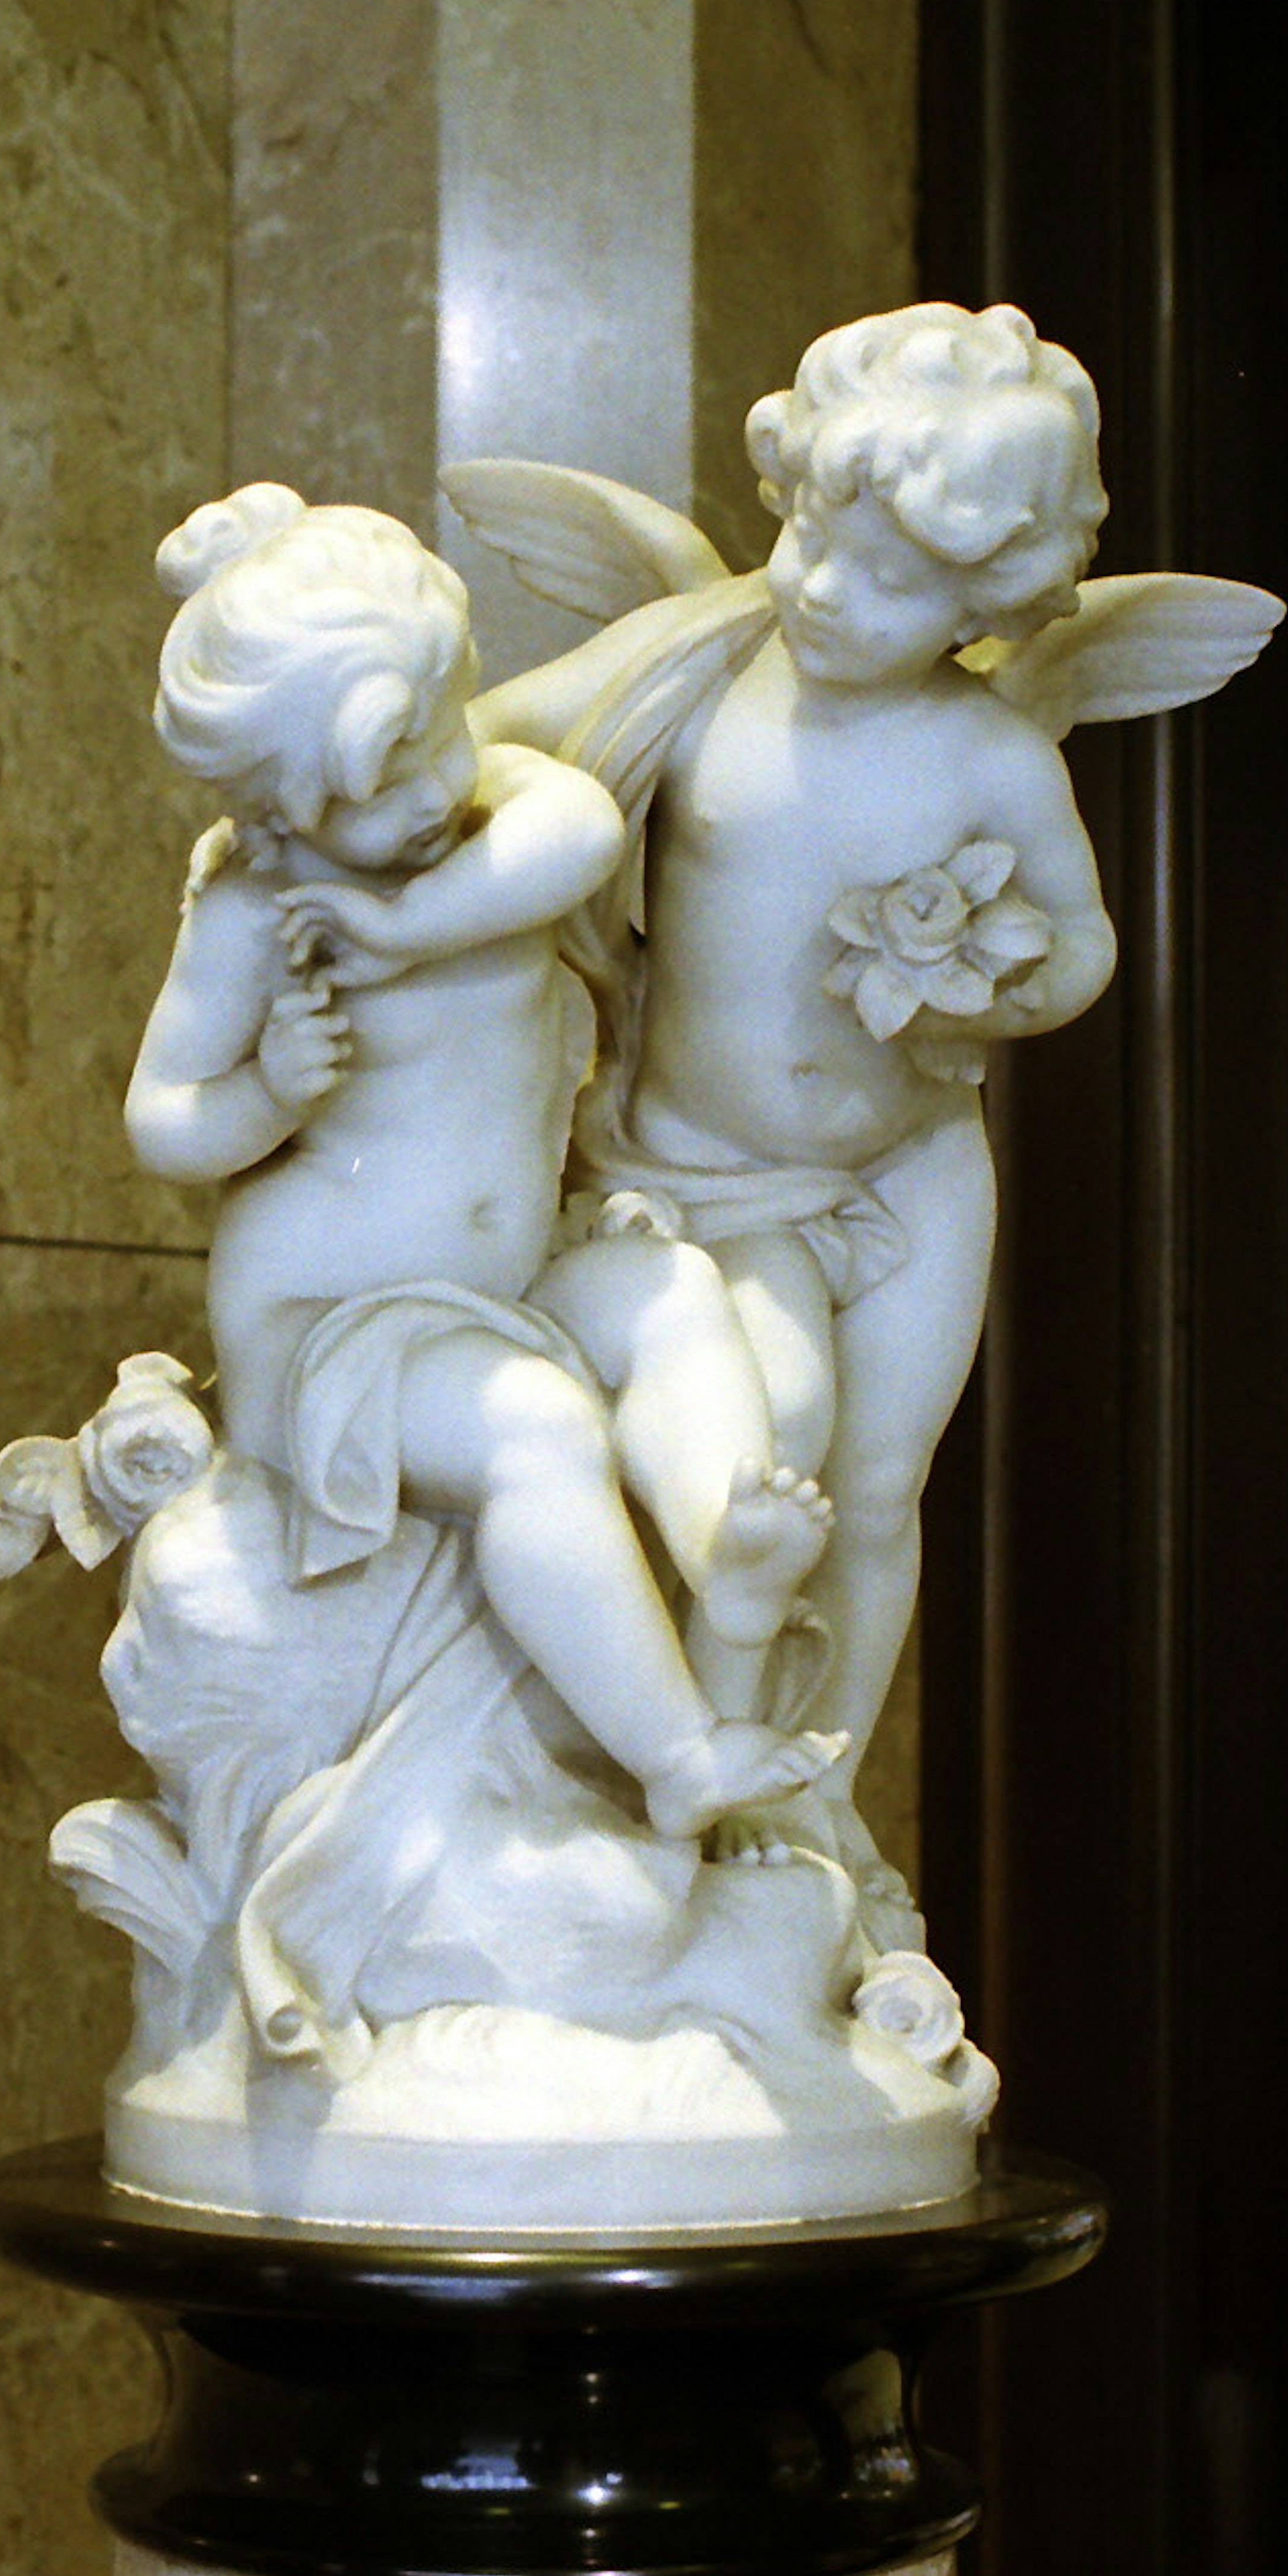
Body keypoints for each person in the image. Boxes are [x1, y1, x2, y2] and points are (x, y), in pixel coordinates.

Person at [478, 306, 1122, 1892]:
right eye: (814, 544)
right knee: (774, 1447)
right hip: (708, 1173)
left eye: (896, 580)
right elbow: (494, 749)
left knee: (882, 1486)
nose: (830, 595)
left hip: (910, 1166)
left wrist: (1009, 987)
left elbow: (1085, 940)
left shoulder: (990, 761)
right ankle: (700, 1749)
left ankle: (817, 1779)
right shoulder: (701, 679)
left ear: (989, 597)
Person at [123, 482, 832, 1842]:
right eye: (390, 777)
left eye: (448, 726)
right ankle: (679, 1748)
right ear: (273, 811)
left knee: (669, 1294)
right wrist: (268, 1088)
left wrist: (404, 928)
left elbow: (580, 831)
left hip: (506, 1281)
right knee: (537, 1426)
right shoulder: (253, 913)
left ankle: (724, 1542)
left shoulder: (488, 823)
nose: (447, 779)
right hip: (334, 1336)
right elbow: (163, 1117)